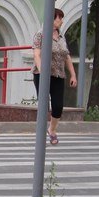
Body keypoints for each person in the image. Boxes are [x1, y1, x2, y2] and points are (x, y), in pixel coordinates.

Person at [33, 8, 78, 145]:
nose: (62, 21)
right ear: (52, 19)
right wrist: (42, 71)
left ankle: (52, 130)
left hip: (59, 75)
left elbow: (67, 56)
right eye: (60, 18)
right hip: (42, 75)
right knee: (44, 104)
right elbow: (36, 55)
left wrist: (73, 75)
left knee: (58, 106)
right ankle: (40, 133)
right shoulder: (40, 35)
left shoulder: (61, 37)